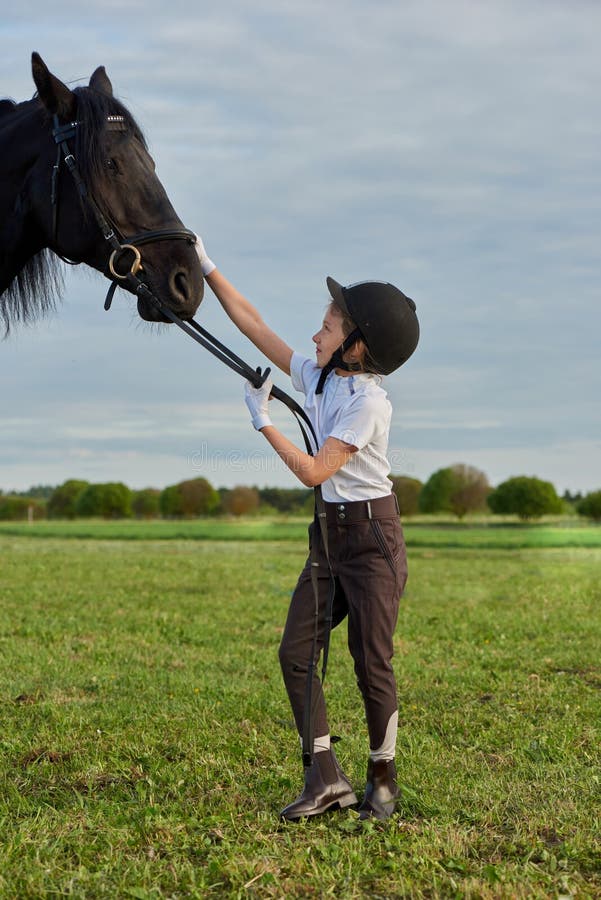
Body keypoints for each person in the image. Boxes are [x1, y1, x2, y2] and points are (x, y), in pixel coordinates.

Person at [195, 237, 419, 821]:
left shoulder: (369, 405)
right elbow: (254, 325)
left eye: (327, 327)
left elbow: (316, 471)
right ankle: (324, 776)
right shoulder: (321, 377)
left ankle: (383, 778)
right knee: (296, 652)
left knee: (370, 661)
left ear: (356, 346)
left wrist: (263, 422)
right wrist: (206, 264)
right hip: (329, 538)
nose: (315, 335)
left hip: (371, 542)